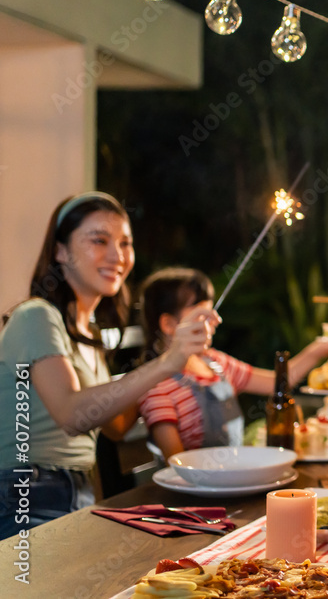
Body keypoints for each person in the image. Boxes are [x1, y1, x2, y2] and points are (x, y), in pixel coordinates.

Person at [0, 192, 218, 537]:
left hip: (79, 493)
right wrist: (165, 362)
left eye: (125, 243)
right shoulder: (36, 316)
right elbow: (73, 416)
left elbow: (115, 425)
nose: (118, 256)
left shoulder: (89, 335)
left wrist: (177, 367)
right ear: (60, 251)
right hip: (23, 494)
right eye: (99, 241)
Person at [137, 267, 328, 460]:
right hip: (197, 490)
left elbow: (277, 383)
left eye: (212, 312)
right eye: (202, 315)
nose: (214, 321)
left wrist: (322, 347)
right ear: (169, 324)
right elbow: (176, 464)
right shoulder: (156, 386)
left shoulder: (216, 363)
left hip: (236, 477)